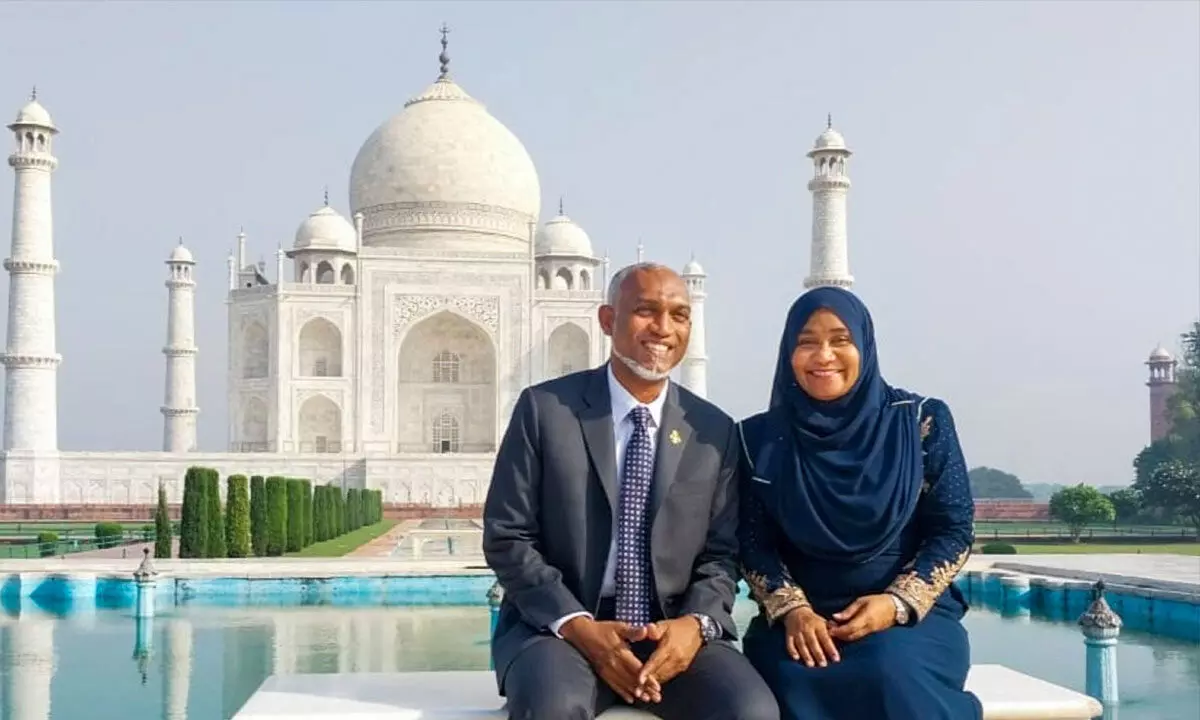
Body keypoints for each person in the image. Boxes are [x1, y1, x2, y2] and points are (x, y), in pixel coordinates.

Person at [483, 263, 778, 720]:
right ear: (607, 320)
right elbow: (508, 536)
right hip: (561, 632)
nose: (663, 328)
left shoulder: (712, 430)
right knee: (555, 708)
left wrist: (694, 625)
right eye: (646, 311)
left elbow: (721, 554)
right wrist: (580, 627)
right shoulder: (547, 412)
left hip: (670, 634)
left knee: (750, 711)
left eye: (679, 315)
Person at [737, 286, 982, 720]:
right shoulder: (758, 439)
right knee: (787, 681)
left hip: (909, 621)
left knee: (891, 672)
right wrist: (793, 610)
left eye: (840, 340)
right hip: (801, 625)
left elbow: (954, 528)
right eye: (807, 342)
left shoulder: (920, 421)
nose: (823, 355)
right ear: (788, 353)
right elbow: (752, 541)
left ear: (864, 346)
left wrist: (896, 602)